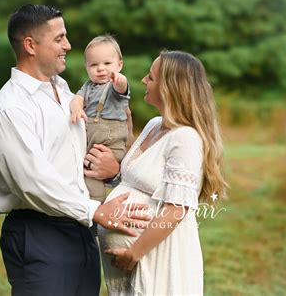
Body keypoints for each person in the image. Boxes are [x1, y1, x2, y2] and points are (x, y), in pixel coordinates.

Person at [0, 4, 149, 296]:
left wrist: (112, 171)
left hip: (81, 229)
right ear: (31, 45)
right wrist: (96, 211)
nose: (68, 46)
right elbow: (33, 183)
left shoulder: (68, 95)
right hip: (39, 233)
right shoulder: (11, 109)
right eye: (59, 38)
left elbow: (84, 156)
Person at [98, 50, 228, 295]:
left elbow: (176, 209)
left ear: (170, 88)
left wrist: (134, 253)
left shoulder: (186, 138)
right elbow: (138, 173)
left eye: (151, 77)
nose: (144, 81)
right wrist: (125, 132)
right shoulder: (154, 125)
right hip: (138, 257)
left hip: (159, 256)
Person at [70, 35, 130, 202]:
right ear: (86, 67)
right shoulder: (88, 86)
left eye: (107, 64)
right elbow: (77, 99)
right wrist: (76, 108)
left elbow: (122, 88)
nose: (101, 69)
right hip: (92, 144)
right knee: (89, 177)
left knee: (100, 173)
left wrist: (119, 80)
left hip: (112, 145)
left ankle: (104, 205)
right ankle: (94, 207)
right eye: (94, 65)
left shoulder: (114, 86)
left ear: (120, 64)